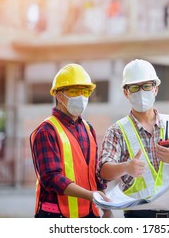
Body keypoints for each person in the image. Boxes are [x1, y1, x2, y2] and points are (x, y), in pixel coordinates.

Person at [98, 59, 169, 218]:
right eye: (134, 87)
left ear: (155, 89)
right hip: (139, 217)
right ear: (126, 92)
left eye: (146, 86)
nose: (141, 92)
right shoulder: (117, 131)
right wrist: (126, 167)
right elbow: (104, 171)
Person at [29, 63, 112, 218]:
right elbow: (52, 178)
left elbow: (95, 174)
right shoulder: (47, 131)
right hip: (55, 215)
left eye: (85, 91)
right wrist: (91, 196)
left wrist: (106, 209)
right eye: (74, 91)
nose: (81, 97)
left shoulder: (88, 129)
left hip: (89, 214)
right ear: (59, 95)